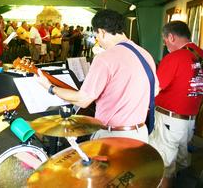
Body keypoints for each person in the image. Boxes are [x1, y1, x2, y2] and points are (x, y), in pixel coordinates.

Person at [36, 9, 158, 143]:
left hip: (113, 135)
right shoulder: (146, 55)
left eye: (97, 36)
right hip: (140, 134)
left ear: (102, 32)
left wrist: (50, 87)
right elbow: (155, 90)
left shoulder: (105, 58)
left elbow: (83, 100)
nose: (98, 41)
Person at [149, 21, 203, 187]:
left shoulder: (174, 57)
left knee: (163, 165)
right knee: (179, 161)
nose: (165, 45)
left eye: (165, 41)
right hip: (190, 120)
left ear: (171, 37)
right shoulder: (200, 54)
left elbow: (154, 89)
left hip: (170, 121)